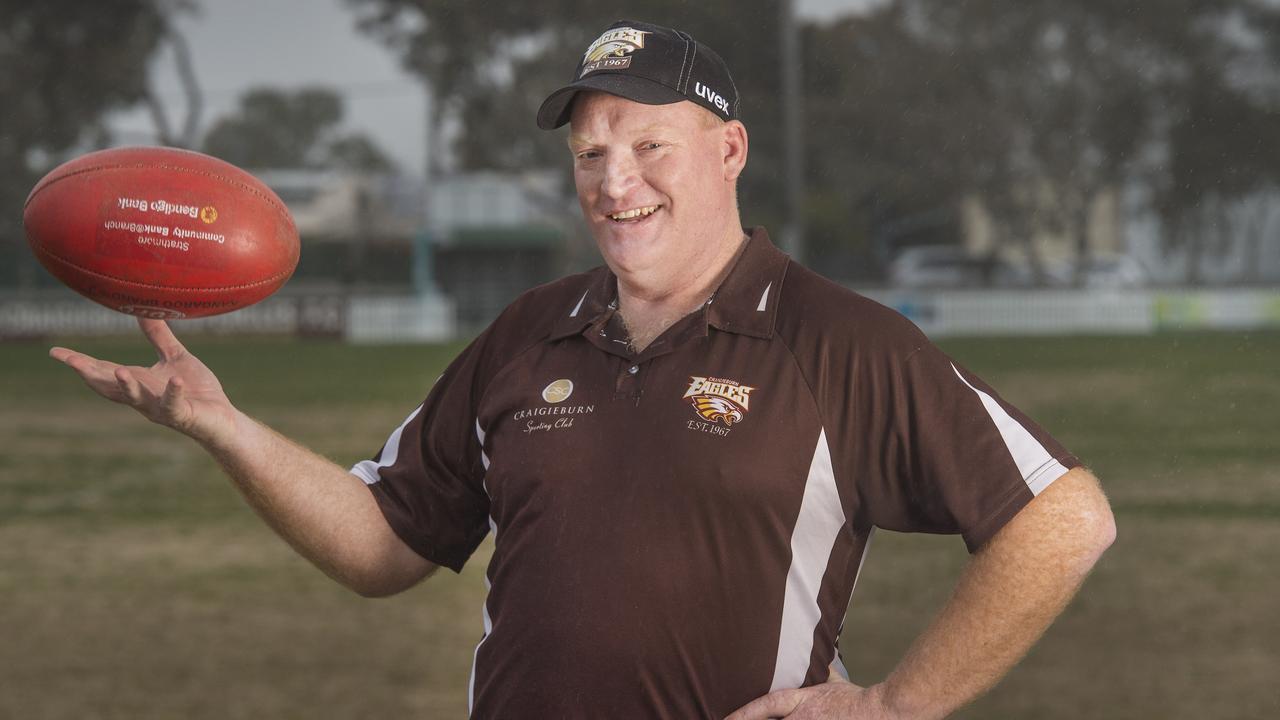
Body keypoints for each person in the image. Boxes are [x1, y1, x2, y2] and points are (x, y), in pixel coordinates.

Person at [51, 19, 1115, 720]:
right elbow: (383, 546)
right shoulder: (527, 334)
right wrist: (222, 424)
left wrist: (896, 706)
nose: (616, 182)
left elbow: (1063, 517)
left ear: (729, 151)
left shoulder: (832, 341)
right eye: (590, 156)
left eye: (649, 146)